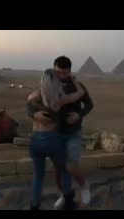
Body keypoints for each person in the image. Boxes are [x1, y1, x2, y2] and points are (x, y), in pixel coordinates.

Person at [27, 56, 94, 209]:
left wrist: (79, 115)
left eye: (65, 73)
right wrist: (34, 114)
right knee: (60, 170)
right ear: (54, 70)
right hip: (55, 136)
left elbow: (89, 104)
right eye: (59, 73)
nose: (62, 76)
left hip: (71, 133)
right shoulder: (54, 92)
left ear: (70, 72)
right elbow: (29, 106)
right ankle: (66, 197)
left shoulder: (47, 90)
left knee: (68, 166)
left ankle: (83, 187)